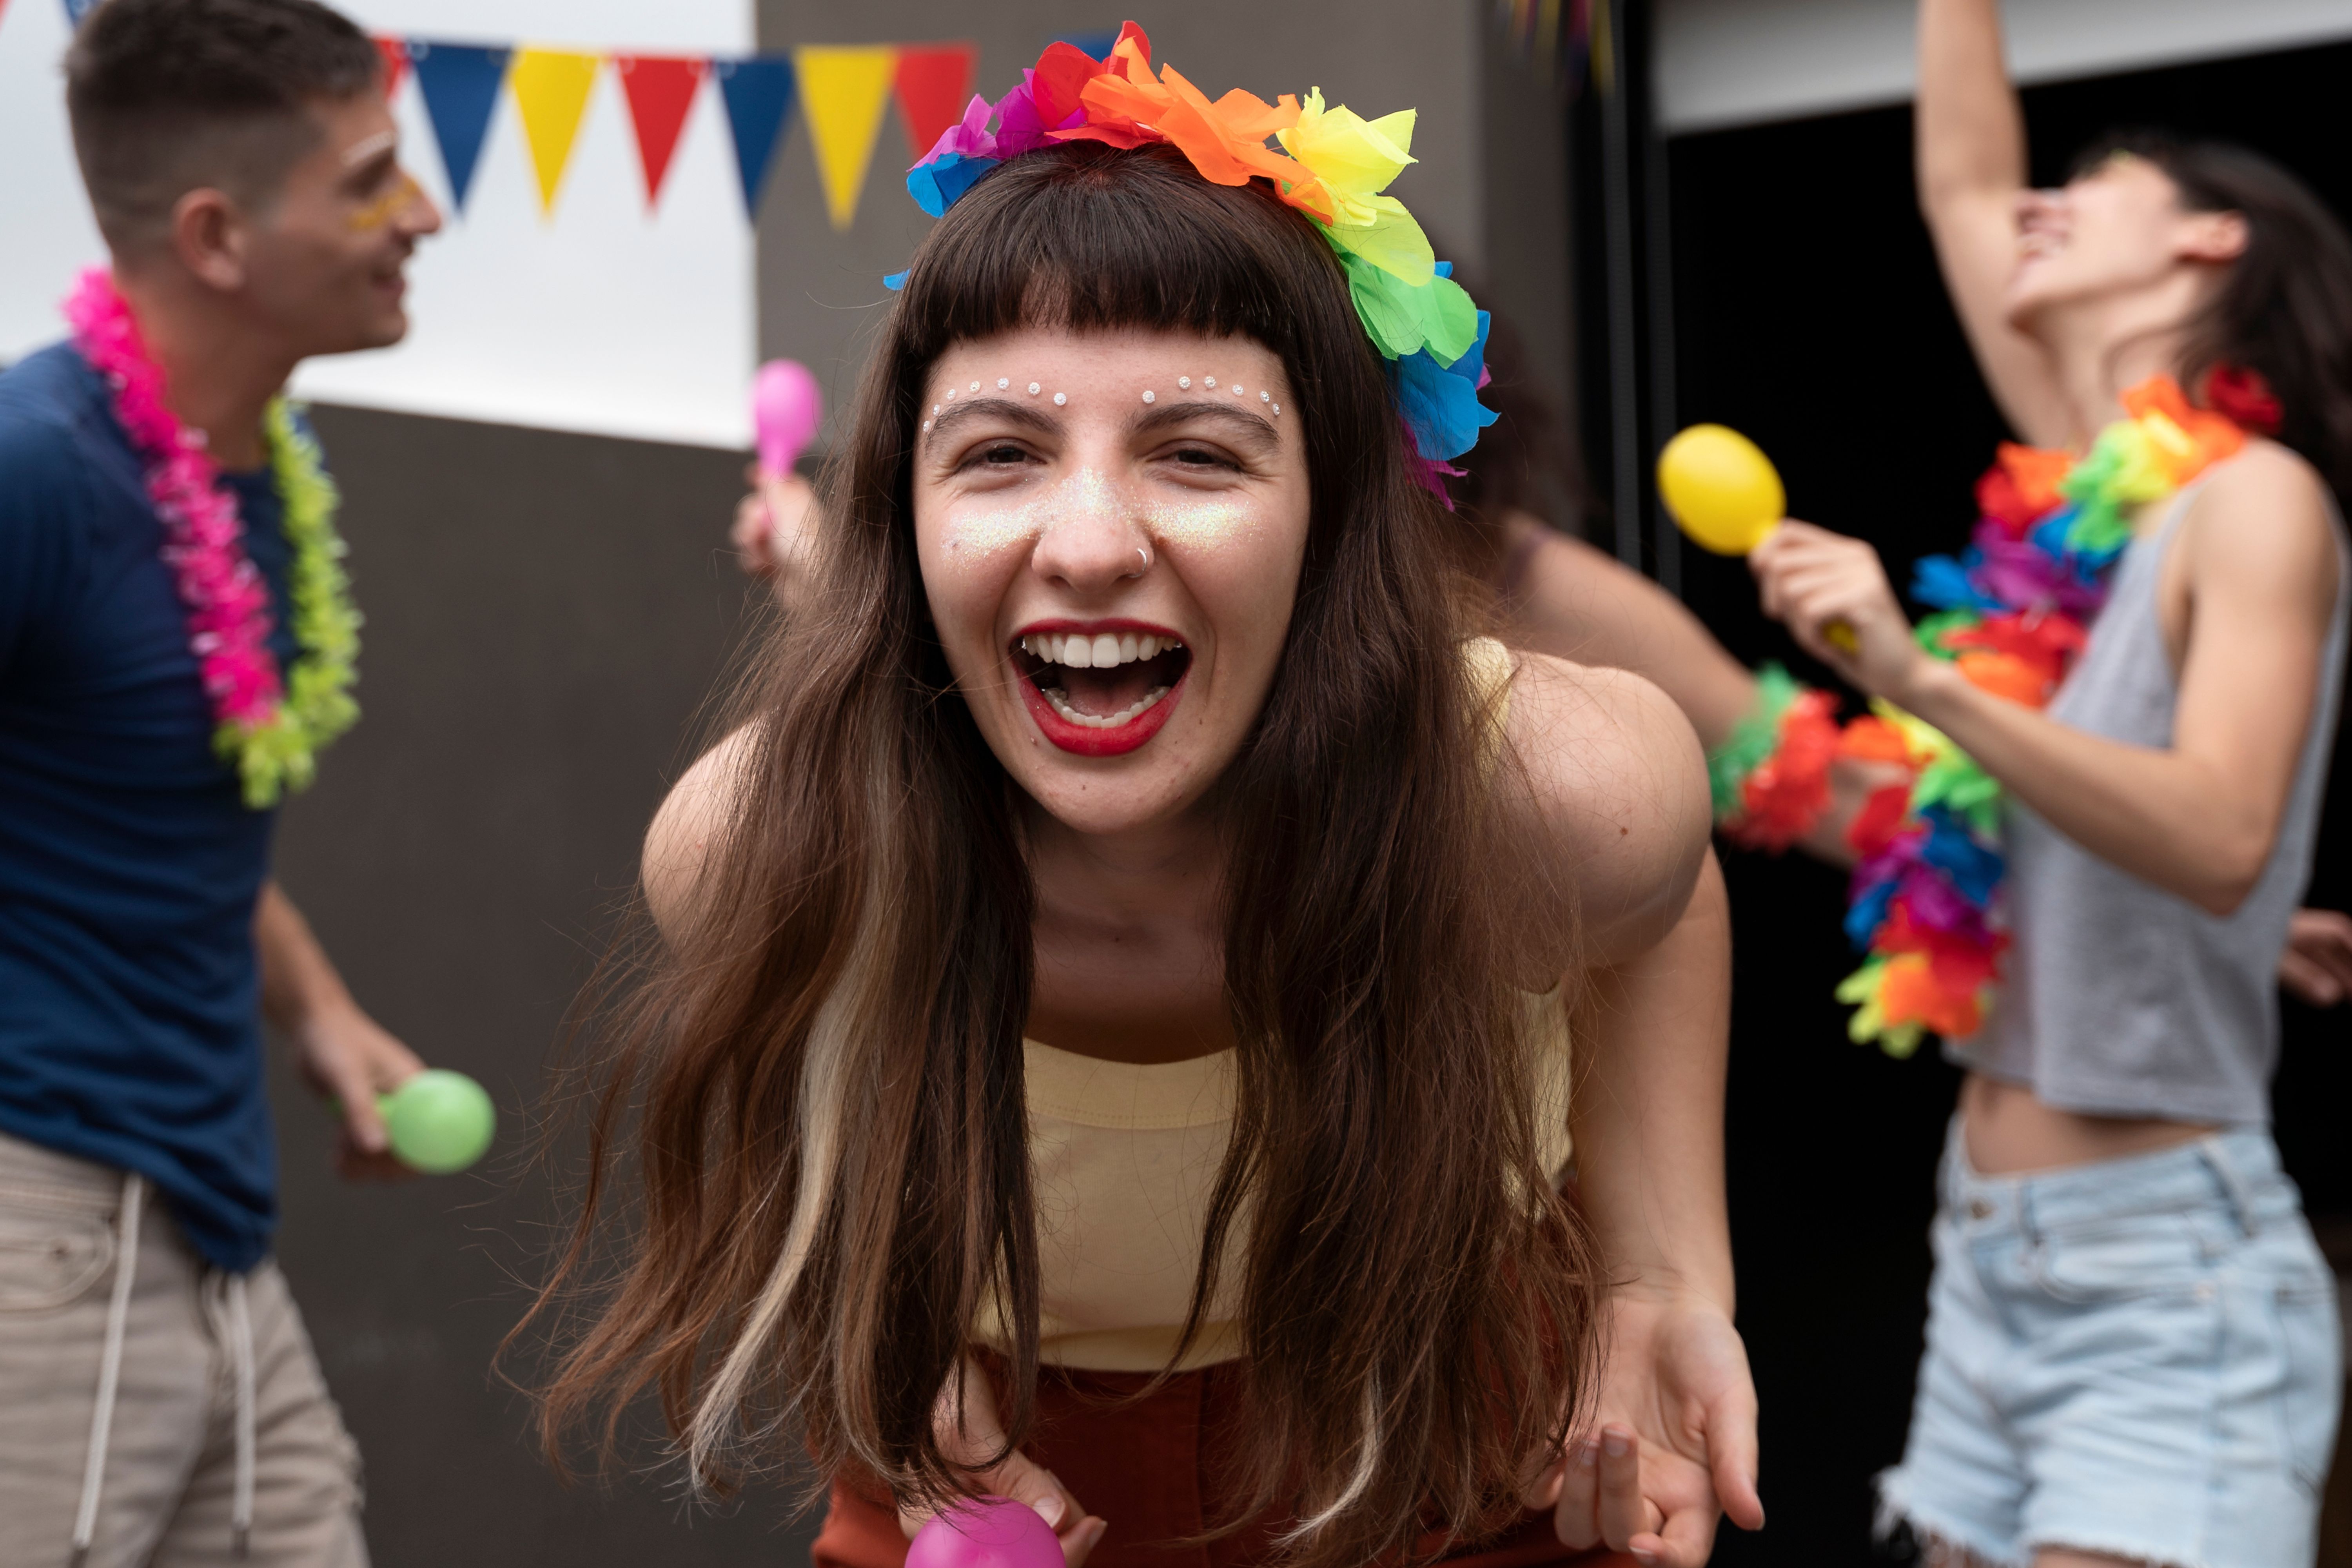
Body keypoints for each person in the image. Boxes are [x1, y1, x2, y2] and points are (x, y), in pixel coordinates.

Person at [539, 28, 1762, 1568]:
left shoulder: (1552, 790)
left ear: (1333, 525)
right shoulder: (753, 844)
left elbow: (1661, 898)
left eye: (1196, 453)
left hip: (1453, 1412)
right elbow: (811, 1078)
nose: (1090, 543)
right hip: (986, 1459)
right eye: (1001, 453)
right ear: (902, 525)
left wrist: (1662, 1277)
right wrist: (906, 1353)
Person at [1739, 1, 2350, 1563]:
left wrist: (1920, 679)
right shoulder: (2100, 493)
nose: (2033, 209)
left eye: (2091, 185)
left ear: (2212, 236)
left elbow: (2223, 835)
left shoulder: (2257, 502)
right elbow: (1962, 180)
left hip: (2161, 1282)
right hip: (1988, 1252)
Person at [0, 0, 445, 1562]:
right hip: (43, 1231)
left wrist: (314, 1008)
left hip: (207, 1228)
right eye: (372, 181)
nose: (424, 214)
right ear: (215, 237)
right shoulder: (33, 467)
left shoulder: (241, 467)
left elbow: (140, 814)